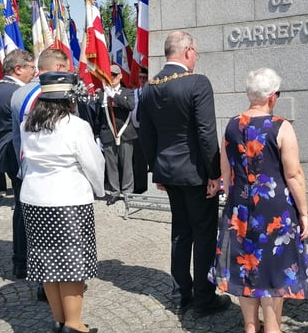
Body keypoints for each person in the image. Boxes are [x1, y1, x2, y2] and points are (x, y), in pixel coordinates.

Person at [208, 67, 308, 333]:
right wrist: (304, 213)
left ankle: (251, 331)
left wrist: (235, 199)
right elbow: (294, 175)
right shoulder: (281, 126)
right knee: (274, 269)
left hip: (239, 206)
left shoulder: (231, 125)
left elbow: (225, 172)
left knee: (245, 266)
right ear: (272, 97)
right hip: (274, 208)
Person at [138, 30, 231, 315]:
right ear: (188, 51)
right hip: (197, 174)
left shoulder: (150, 87)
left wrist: (158, 171)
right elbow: (206, 133)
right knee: (203, 234)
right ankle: (203, 298)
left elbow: (146, 133)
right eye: (196, 53)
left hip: (170, 172)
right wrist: (215, 174)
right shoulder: (197, 82)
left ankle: (180, 294)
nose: (196, 58)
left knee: (180, 233)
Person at [20, 71, 104, 333]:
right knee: (71, 264)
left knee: (47, 262)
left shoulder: (27, 125)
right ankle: (74, 323)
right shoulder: (75, 125)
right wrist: (99, 189)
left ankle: (58, 319)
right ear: (69, 99)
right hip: (67, 200)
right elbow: (92, 163)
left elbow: (23, 161)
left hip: (34, 198)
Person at [10, 47, 71, 302]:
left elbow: (17, 139)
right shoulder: (59, 92)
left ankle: (42, 284)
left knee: (37, 236)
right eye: (66, 69)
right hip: (60, 179)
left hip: (30, 176)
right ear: (58, 68)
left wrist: (23, 171)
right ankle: (63, 287)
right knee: (62, 237)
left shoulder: (17, 94)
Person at [0, 49, 36, 279]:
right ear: (18, 68)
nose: (35, 72)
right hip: (14, 154)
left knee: (22, 208)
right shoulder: (12, 91)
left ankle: (22, 259)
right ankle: (22, 260)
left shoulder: (8, 88)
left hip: (13, 152)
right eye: (31, 67)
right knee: (23, 209)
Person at [95, 64, 136, 205]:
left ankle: (127, 192)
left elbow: (130, 105)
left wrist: (113, 95)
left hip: (125, 133)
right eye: (108, 75)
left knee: (126, 164)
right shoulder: (101, 94)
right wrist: (97, 135)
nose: (110, 78)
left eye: (113, 75)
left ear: (120, 76)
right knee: (111, 164)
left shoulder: (127, 93)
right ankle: (114, 191)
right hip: (107, 133)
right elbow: (98, 116)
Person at [132, 67, 149, 194]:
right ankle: (139, 186)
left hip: (147, 130)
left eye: (145, 78)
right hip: (135, 128)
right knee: (137, 160)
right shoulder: (134, 93)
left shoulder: (150, 92)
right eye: (140, 77)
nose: (142, 80)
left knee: (147, 158)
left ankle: (147, 186)